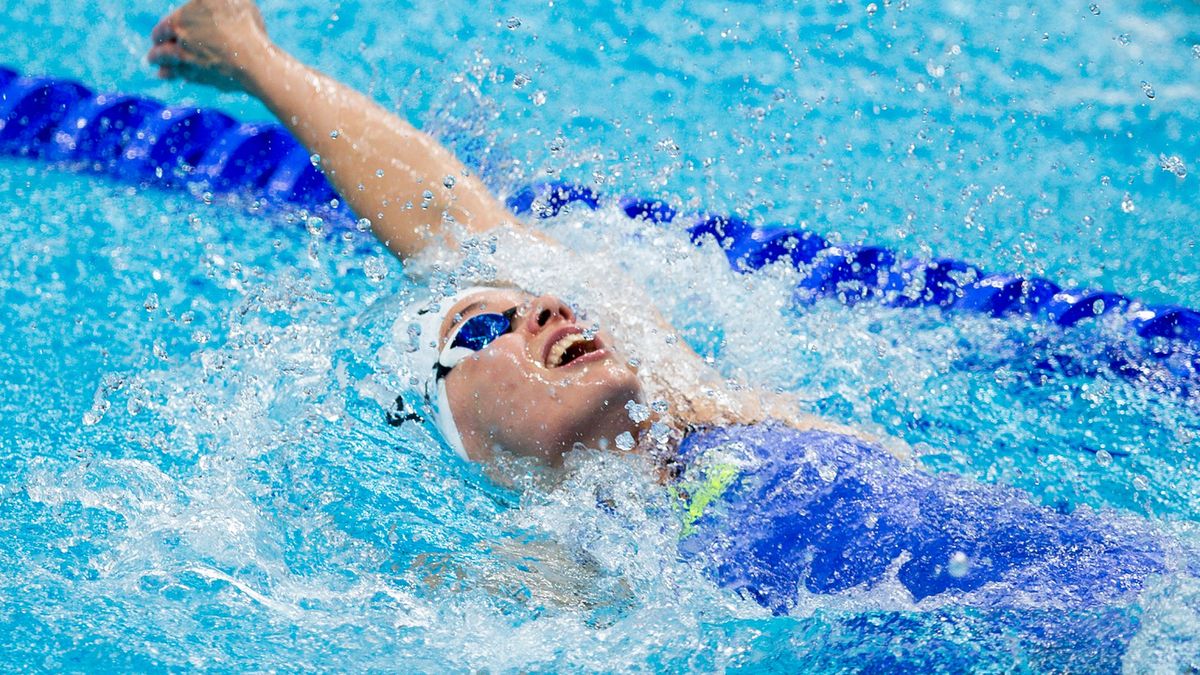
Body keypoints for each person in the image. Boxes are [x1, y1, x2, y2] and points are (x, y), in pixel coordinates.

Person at [147, 0, 1178, 616]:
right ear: (461, 442)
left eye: (535, 301)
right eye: (481, 330)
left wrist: (252, 53)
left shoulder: (706, 414)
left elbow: (461, 222)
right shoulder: (561, 572)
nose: (540, 310)